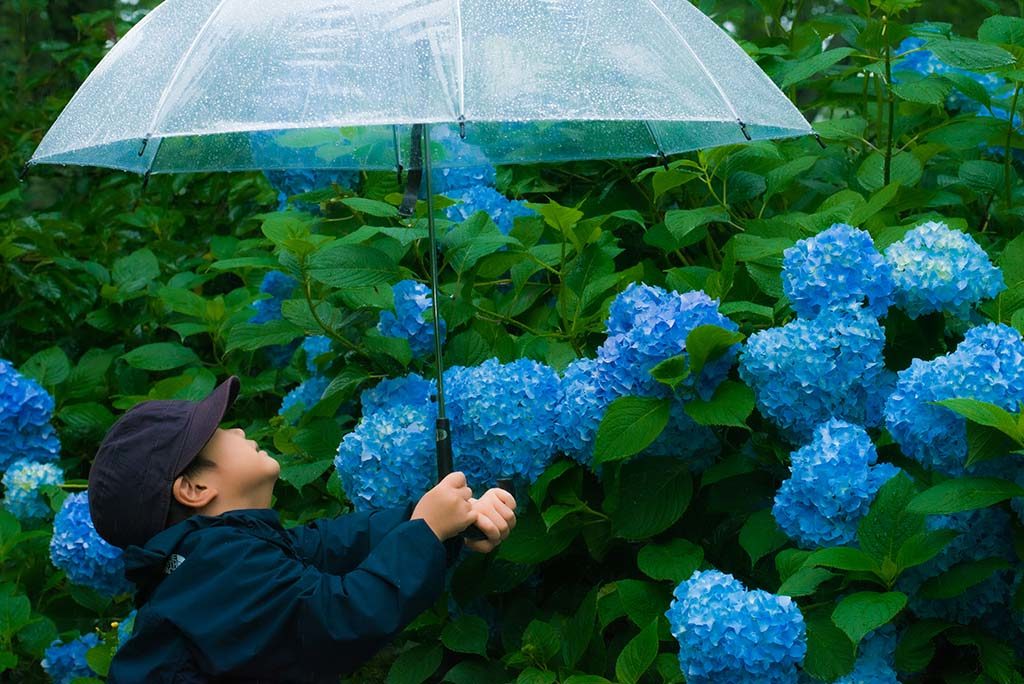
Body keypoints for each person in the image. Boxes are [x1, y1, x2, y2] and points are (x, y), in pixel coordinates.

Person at [87, 375, 517, 683]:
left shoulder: (220, 557)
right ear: (194, 488)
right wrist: (425, 530)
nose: (237, 428)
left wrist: (451, 523)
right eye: (216, 432)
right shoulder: (217, 568)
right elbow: (336, 618)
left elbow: (337, 545)